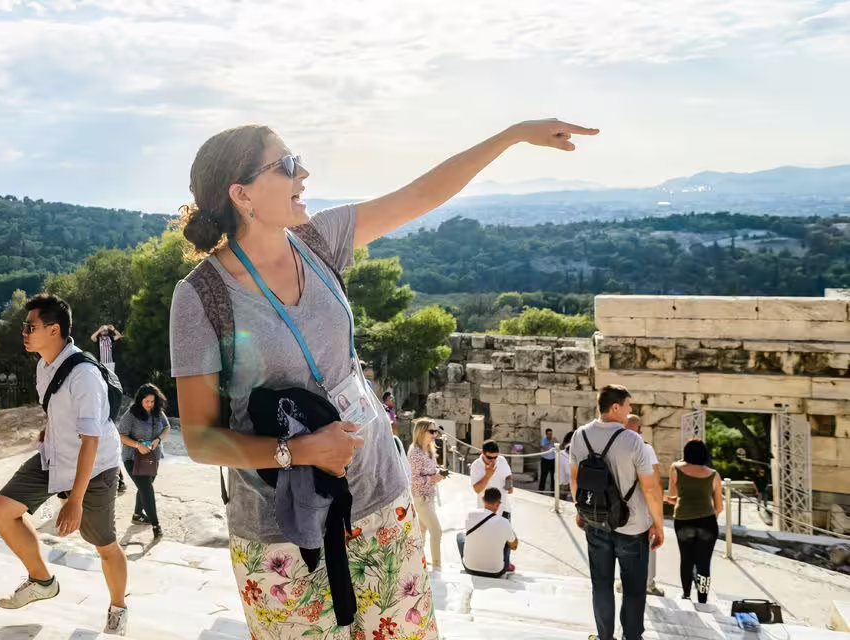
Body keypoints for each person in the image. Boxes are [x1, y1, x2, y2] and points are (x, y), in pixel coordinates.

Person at [168, 119, 598, 639]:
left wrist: (510, 136)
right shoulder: (200, 298)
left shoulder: (319, 240)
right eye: (285, 165)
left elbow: (421, 195)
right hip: (284, 530)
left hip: (380, 496)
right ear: (242, 195)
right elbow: (200, 439)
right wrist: (299, 451)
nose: (303, 171)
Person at [0, 294, 128, 635]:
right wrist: (49, 427)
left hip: (94, 466)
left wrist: (74, 501)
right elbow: (55, 407)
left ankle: (119, 607)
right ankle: (42, 580)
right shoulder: (43, 366)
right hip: (54, 456)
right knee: (1, 510)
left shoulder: (84, 376)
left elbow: (91, 440)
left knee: (104, 544)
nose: (24, 332)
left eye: (30, 327)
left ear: (54, 331)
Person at [570, 385, 665, 640]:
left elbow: (575, 481)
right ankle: (631, 636)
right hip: (632, 526)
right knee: (634, 588)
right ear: (615, 408)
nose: (630, 410)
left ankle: (605, 636)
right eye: (627, 405)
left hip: (596, 522)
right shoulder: (633, 441)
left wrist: (581, 511)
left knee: (600, 584)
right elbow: (651, 489)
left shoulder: (580, 436)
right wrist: (658, 524)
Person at [667, 439, 724, 603]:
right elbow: (719, 507)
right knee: (704, 563)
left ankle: (686, 595)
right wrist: (708, 518)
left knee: (686, 559)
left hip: (683, 521)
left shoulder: (676, 468)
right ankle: (703, 599)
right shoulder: (714, 474)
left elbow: (673, 497)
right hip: (707, 523)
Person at [616, 414, 665, 597]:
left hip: (617, 507)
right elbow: (656, 483)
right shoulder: (645, 449)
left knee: (621, 546)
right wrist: (657, 518)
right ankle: (648, 584)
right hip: (641, 507)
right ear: (638, 430)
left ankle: (623, 581)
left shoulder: (613, 446)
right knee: (647, 548)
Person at [117, 383, 171, 539]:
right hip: (132, 458)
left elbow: (167, 428)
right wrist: (137, 445)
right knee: (147, 489)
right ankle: (156, 525)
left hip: (152, 457)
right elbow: (121, 435)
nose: (149, 405)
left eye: (152, 402)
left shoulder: (158, 413)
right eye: (147, 401)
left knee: (145, 486)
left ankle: (137, 514)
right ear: (140, 400)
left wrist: (159, 440)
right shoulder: (130, 415)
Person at [470, 439, 515, 571]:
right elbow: (477, 489)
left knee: (506, 537)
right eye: (490, 457)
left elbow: (509, 475)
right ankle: (485, 564)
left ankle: (505, 563)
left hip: (504, 505)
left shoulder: (502, 460)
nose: (493, 460)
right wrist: (488, 475)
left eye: (496, 457)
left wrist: (510, 484)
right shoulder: (476, 465)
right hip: (486, 510)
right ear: (482, 453)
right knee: (487, 538)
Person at [408, 418, 446, 570]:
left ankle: (419, 563)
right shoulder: (415, 452)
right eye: (432, 431)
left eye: (436, 431)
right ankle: (437, 567)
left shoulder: (429, 449)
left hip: (429, 497)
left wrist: (438, 473)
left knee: (422, 531)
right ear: (421, 432)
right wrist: (432, 479)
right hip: (421, 498)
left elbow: (429, 471)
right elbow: (412, 478)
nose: (435, 434)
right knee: (437, 531)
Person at [457, 487, 518, 578]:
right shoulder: (504, 522)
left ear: (483, 500)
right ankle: (506, 563)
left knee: (460, 536)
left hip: (470, 569)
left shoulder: (470, 515)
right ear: (498, 504)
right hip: (497, 572)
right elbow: (514, 546)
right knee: (508, 540)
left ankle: (472, 559)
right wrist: (509, 528)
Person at [538, 427, 558, 492]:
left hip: (553, 460)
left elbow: (559, 447)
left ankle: (553, 491)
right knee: (543, 476)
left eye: (551, 434)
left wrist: (557, 442)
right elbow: (544, 448)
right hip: (545, 460)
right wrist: (551, 443)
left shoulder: (554, 440)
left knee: (553, 477)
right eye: (549, 434)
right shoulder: (544, 440)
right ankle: (541, 490)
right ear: (546, 434)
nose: (550, 435)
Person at [557, 431, 573, 500]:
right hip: (565, 483)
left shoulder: (560, 453)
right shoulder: (566, 456)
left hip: (560, 481)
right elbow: (568, 472)